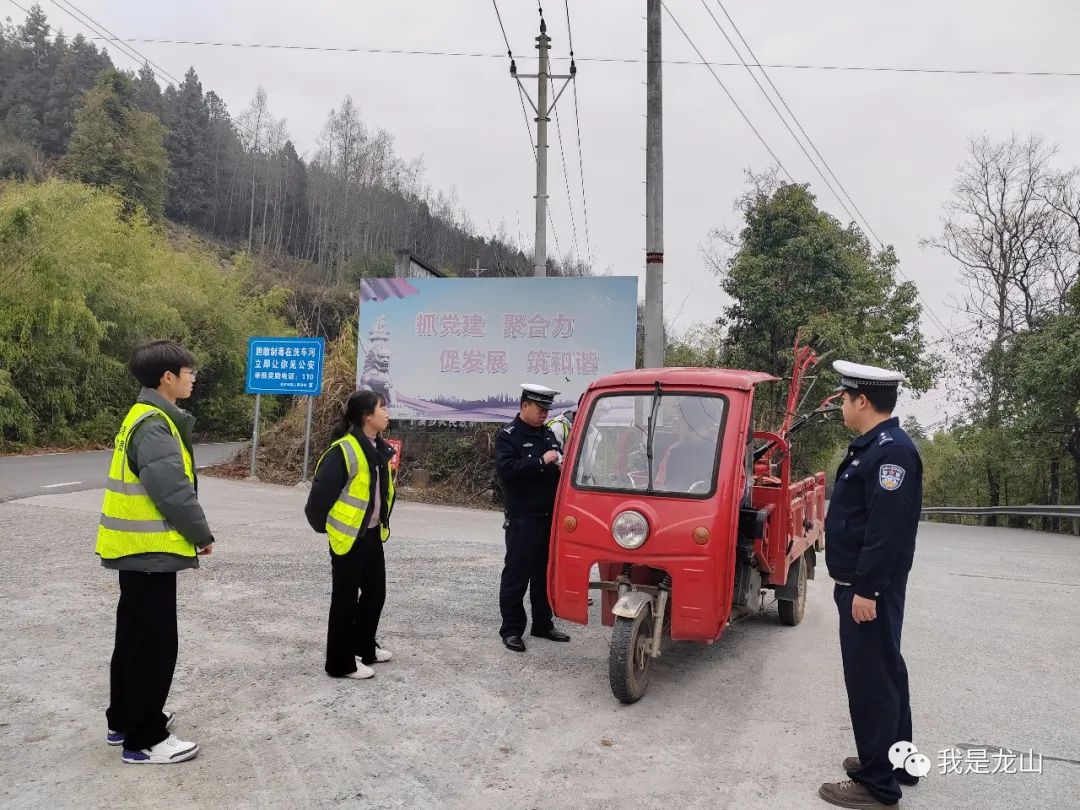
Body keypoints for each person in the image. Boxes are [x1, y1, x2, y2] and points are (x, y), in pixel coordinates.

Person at [97, 340, 214, 765]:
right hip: (150, 551)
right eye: (189, 372)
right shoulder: (155, 425)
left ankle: (124, 721)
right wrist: (200, 533)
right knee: (155, 645)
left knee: (132, 638)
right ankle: (145, 739)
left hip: (135, 551)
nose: (193, 378)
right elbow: (172, 490)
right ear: (167, 377)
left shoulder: (141, 416)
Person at [818, 360, 923, 809]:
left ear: (862, 400)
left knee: (870, 682)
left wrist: (867, 590)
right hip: (867, 583)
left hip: (868, 588)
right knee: (886, 669)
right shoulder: (876, 447)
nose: (841, 404)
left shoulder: (890, 453)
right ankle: (898, 760)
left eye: (844, 398)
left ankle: (878, 783)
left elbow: (886, 532)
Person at [305, 390, 397, 680]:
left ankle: (364, 647)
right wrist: (330, 528)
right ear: (366, 416)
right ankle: (341, 663)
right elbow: (317, 503)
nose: (387, 413)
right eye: (382, 408)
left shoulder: (379, 448)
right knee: (344, 600)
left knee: (375, 593)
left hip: (371, 534)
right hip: (349, 538)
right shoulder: (343, 450)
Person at [495, 384, 571, 652]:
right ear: (524, 405)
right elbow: (507, 471)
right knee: (517, 573)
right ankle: (512, 629)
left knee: (544, 573)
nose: (543, 414)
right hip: (522, 517)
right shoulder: (508, 436)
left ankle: (543, 623)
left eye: (547, 409)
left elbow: (556, 462)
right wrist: (541, 462)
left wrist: (559, 464)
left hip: (548, 516)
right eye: (540, 409)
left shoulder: (548, 432)